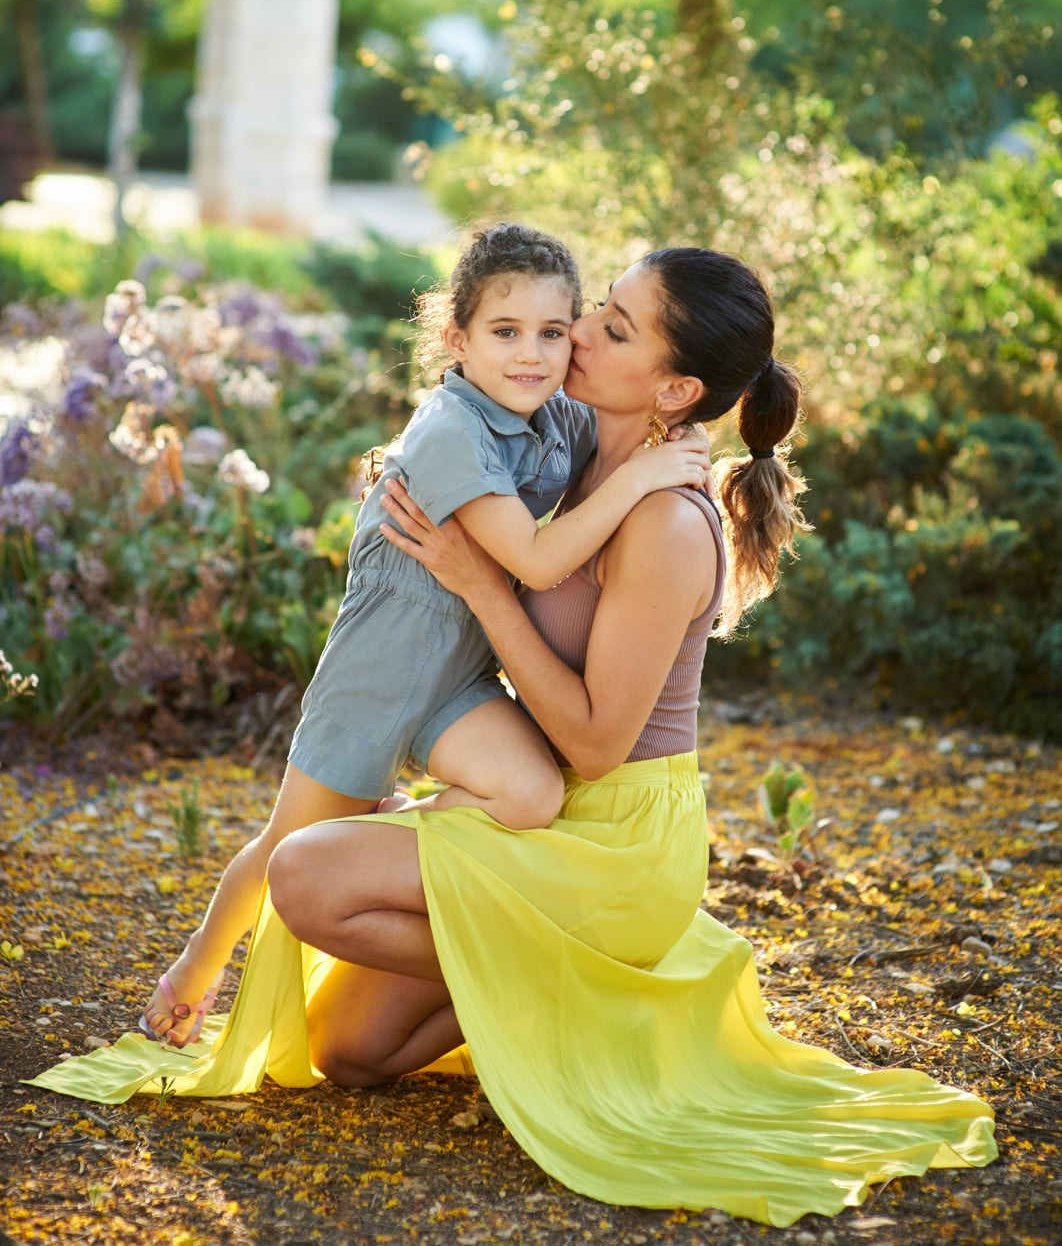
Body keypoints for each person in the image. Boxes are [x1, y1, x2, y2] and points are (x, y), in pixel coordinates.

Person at [31, 245, 995, 1229]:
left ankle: (585, 983)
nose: (574, 334)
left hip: (610, 839)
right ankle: (555, 989)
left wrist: (482, 586)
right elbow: (468, 439)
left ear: (674, 387)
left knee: (308, 874)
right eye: (595, 311)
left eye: (609, 328)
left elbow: (593, 746)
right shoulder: (578, 444)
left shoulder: (663, 518)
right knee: (349, 1053)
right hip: (535, 803)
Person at [139, 223, 710, 1047]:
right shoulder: (448, 430)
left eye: (555, 332)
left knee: (529, 794)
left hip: (463, 676)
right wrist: (651, 475)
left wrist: (673, 443)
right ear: (457, 338)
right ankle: (195, 964)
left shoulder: (557, 415)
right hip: (379, 672)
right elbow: (541, 561)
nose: (535, 354)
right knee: (284, 842)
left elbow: (624, 438)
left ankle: (390, 828)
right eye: (505, 333)